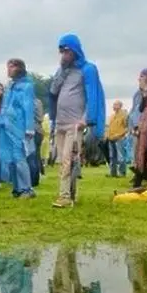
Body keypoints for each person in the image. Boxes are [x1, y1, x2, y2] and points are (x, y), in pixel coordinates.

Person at [48, 33, 106, 207]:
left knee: (68, 159)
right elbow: (53, 91)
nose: (64, 55)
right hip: (60, 122)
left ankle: (65, 196)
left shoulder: (88, 69)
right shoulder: (63, 71)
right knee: (63, 161)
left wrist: (85, 118)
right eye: (61, 52)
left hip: (75, 123)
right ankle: (69, 193)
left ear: (74, 50)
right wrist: (62, 71)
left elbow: (92, 96)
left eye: (67, 51)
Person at [0, 58, 36, 198]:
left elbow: (28, 107)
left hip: (19, 127)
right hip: (7, 126)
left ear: (19, 68)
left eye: (11, 66)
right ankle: (17, 187)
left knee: (19, 157)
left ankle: (27, 188)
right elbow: (5, 106)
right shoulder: (10, 86)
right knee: (11, 158)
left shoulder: (26, 86)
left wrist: (29, 128)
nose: (8, 69)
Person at [106, 100, 128, 177]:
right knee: (112, 156)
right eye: (113, 105)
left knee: (120, 156)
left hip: (119, 138)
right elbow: (109, 127)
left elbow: (127, 127)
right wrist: (107, 135)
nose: (114, 106)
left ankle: (122, 172)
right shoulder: (112, 116)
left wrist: (120, 134)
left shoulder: (124, 115)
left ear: (120, 106)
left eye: (116, 105)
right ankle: (113, 172)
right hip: (111, 138)